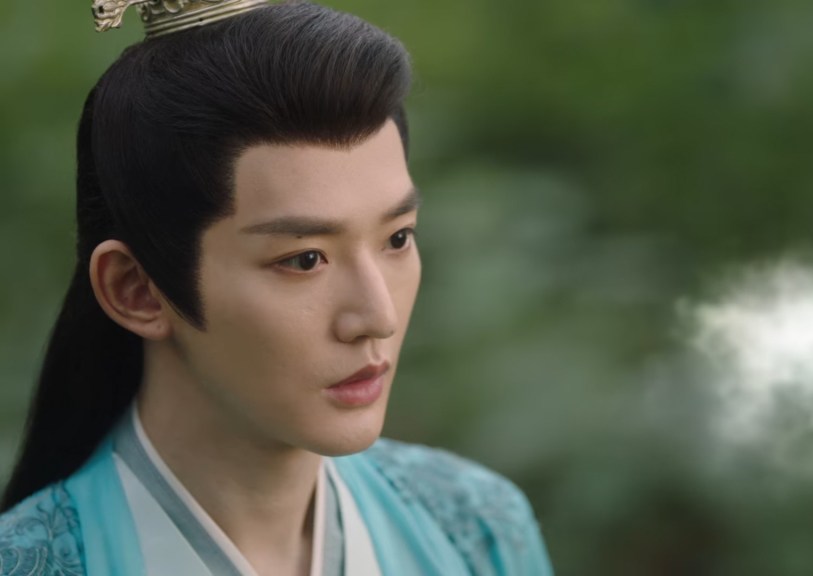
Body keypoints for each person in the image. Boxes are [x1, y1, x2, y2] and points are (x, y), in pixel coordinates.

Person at [0, 1, 553, 574]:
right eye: (305, 259)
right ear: (136, 289)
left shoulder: (476, 529)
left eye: (397, 239)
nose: (377, 317)